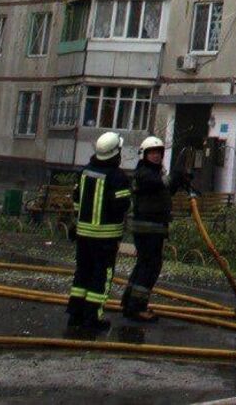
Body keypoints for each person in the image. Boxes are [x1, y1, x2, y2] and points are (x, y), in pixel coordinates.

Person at [66, 132, 131, 333]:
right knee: (101, 276)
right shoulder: (118, 176)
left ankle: (75, 315)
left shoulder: (85, 172)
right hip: (106, 237)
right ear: (115, 153)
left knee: (82, 273)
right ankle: (92, 317)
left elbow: (76, 200)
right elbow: (123, 205)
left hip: (83, 234)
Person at [121, 136, 189, 322]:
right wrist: (174, 176)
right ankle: (137, 307)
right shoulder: (143, 173)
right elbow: (158, 184)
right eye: (152, 153)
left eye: (159, 152)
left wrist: (179, 181)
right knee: (150, 267)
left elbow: (165, 190)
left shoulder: (155, 174)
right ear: (144, 155)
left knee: (144, 265)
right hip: (147, 228)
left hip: (154, 228)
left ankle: (129, 302)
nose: (157, 156)